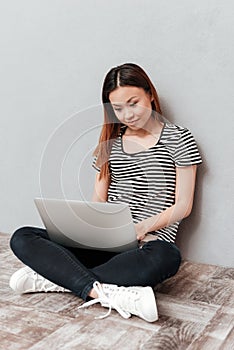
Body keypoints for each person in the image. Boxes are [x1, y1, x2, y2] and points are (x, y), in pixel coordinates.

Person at [9, 63, 202, 323]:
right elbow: (98, 200)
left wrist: (142, 227)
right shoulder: (110, 143)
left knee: (169, 257)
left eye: (133, 103)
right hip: (105, 241)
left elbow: (183, 205)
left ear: (150, 95)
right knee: (23, 237)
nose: (128, 115)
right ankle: (106, 292)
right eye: (118, 109)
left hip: (148, 245)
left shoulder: (178, 138)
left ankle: (57, 279)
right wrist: (86, 228)